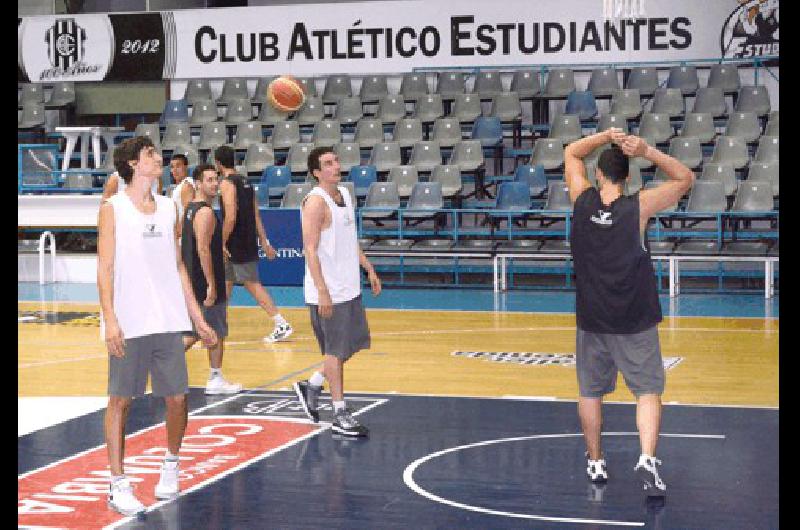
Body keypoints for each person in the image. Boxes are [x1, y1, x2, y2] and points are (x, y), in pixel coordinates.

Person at [563, 128, 694, 499]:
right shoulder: (639, 207)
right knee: (648, 391)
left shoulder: (580, 200)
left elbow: (572, 152)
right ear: (628, 177)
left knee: (590, 392)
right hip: (633, 320)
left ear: (600, 173)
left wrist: (604, 135)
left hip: (592, 319)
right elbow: (686, 178)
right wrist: (647, 150)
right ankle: (648, 459)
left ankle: (595, 461)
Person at [97, 136, 217, 516]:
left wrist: (197, 318)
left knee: (178, 397)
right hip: (128, 321)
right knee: (121, 401)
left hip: (167, 318)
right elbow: (105, 266)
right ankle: (118, 484)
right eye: (151, 154)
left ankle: (171, 464)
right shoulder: (112, 208)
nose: (159, 158)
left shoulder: (169, 208)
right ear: (133, 163)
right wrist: (110, 319)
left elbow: (177, 267)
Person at [293, 147, 381, 437]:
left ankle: (314, 385)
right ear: (316, 172)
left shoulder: (344, 193)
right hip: (328, 291)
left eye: (336, 161)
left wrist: (368, 268)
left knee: (350, 346)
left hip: (349, 287)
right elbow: (309, 249)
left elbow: (349, 239)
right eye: (328, 164)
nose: (336, 166)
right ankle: (339, 412)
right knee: (334, 351)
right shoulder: (315, 203)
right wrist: (322, 291)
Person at [215, 145, 293, 343]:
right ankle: (216, 328)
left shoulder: (226, 183)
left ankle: (281, 323)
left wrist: (221, 242)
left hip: (235, 241)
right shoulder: (246, 182)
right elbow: (257, 215)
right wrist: (264, 242)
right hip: (246, 239)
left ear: (217, 163)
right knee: (226, 283)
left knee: (251, 283)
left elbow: (230, 217)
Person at [181, 164, 242, 395]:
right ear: (197, 183)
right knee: (212, 331)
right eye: (209, 180)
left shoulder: (190, 209)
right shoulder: (205, 212)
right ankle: (215, 378)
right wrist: (211, 285)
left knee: (196, 331)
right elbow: (203, 249)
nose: (215, 184)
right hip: (203, 281)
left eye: (216, 179)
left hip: (192, 279)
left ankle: (160, 366)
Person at [170, 153, 194, 237]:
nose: (174, 170)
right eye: (172, 167)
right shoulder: (180, 186)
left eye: (178, 166)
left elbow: (188, 212)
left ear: (186, 167)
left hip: (183, 234)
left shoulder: (186, 185)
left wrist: (179, 231)